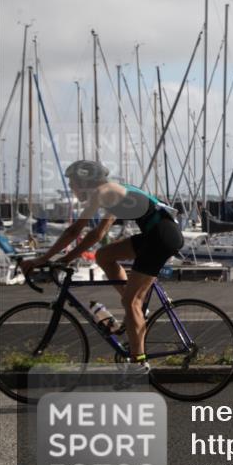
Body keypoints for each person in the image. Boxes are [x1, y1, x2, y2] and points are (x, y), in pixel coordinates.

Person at [19, 160, 185, 384]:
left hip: (160, 238)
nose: (71, 188)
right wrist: (67, 258)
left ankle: (138, 365)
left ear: (84, 181)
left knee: (131, 303)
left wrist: (43, 259)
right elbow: (98, 234)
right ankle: (136, 312)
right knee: (104, 256)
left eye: (73, 183)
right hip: (156, 235)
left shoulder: (102, 191)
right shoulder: (113, 192)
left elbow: (75, 230)